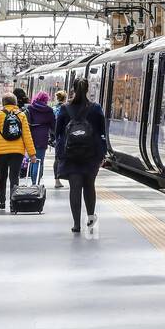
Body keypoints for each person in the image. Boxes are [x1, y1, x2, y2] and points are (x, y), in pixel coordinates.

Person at [54, 77, 107, 235]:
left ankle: (76, 224)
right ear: (87, 89)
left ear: (73, 89)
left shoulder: (65, 109)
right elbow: (102, 132)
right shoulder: (96, 108)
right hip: (91, 154)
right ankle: (90, 221)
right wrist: (103, 153)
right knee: (89, 187)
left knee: (75, 188)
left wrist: (59, 152)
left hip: (70, 155)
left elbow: (57, 132)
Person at [0, 92, 37, 211]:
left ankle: (2, 201)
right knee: (14, 177)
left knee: (2, 176)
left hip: (0, 152)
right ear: (15, 103)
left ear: (3, 103)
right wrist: (32, 154)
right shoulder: (21, 115)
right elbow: (27, 136)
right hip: (17, 151)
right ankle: (14, 203)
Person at [25, 91, 57, 184]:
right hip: (42, 138)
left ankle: (33, 180)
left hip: (30, 137)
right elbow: (53, 126)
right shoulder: (49, 110)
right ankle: (36, 183)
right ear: (46, 100)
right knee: (39, 160)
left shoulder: (30, 108)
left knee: (32, 159)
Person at [52, 90, 67, 189]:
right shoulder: (67, 108)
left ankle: (57, 180)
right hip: (66, 136)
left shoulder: (53, 109)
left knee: (57, 158)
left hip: (57, 136)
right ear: (65, 98)